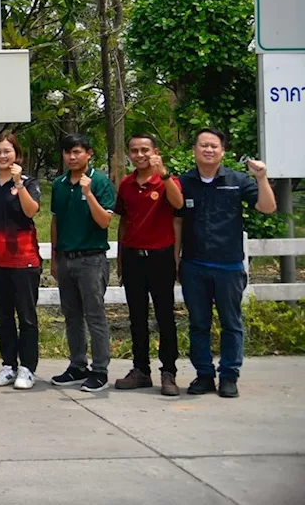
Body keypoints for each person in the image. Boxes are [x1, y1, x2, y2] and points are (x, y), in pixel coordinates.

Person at [177, 128, 277, 398]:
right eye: (203, 145)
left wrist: (262, 177)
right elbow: (176, 222)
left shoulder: (238, 180)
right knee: (198, 323)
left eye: (214, 146)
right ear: (194, 150)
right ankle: (204, 375)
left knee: (231, 323)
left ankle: (229, 376)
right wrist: (176, 261)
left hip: (229, 266)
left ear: (223, 151)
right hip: (194, 265)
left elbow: (267, 207)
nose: (208, 150)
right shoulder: (183, 182)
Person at [113, 134, 184, 396]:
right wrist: (121, 258)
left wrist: (163, 174)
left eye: (145, 150)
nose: (140, 155)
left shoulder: (166, 181)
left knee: (165, 316)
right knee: (137, 317)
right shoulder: (127, 184)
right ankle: (141, 369)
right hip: (133, 256)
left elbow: (178, 205)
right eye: (134, 151)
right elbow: (123, 222)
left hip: (161, 257)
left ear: (155, 151)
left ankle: (169, 372)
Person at [49, 134, 117, 393]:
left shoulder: (100, 182)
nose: (72, 157)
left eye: (77, 151)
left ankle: (100, 369)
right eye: (67, 152)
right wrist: (55, 259)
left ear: (89, 153)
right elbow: (55, 222)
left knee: (95, 316)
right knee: (72, 316)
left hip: (92, 259)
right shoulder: (59, 184)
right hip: (66, 259)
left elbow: (104, 222)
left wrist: (88, 194)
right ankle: (78, 365)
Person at [0, 132, 42, 390]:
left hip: (24, 258)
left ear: (17, 154)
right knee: (3, 316)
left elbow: (31, 210)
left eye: (7, 151)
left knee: (26, 317)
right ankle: (8, 365)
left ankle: (27, 368)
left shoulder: (29, 181)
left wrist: (19, 183)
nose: (2, 156)